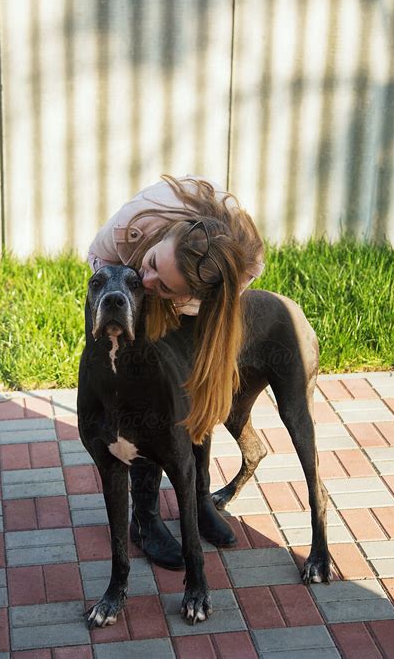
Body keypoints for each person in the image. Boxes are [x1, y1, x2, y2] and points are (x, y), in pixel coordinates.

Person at [88, 174, 265, 568]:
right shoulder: (128, 230)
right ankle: (145, 520)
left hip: (195, 297)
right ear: (165, 239)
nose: (150, 281)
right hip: (123, 282)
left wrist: (182, 305)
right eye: (153, 266)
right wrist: (144, 288)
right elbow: (100, 276)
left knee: (193, 389)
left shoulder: (242, 265)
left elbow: (215, 305)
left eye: (163, 285)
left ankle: (197, 498)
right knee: (145, 403)